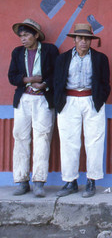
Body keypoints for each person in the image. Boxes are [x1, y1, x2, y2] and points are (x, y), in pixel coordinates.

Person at [54, 23, 110, 198]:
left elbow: (105, 83)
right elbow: (57, 81)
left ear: (91, 40)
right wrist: (59, 103)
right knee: (69, 141)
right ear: (74, 40)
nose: (83, 42)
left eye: (87, 38)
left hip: (92, 101)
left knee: (94, 141)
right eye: (80, 38)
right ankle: (70, 181)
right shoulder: (62, 59)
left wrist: (99, 100)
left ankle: (91, 181)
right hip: (68, 101)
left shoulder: (100, 58)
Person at [8, 19, 59, 197]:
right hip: (23, 100)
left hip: (43, 100)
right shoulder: (17, 52)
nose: (23, 39)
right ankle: (22, 181)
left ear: (36, 35)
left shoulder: (50, 50)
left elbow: (57, 74)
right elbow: (12, 77)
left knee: (42, 138)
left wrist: (44, 84)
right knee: (20, 138)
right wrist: (29, 80)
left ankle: (38, 182)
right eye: (21, 36)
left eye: (27, 35)